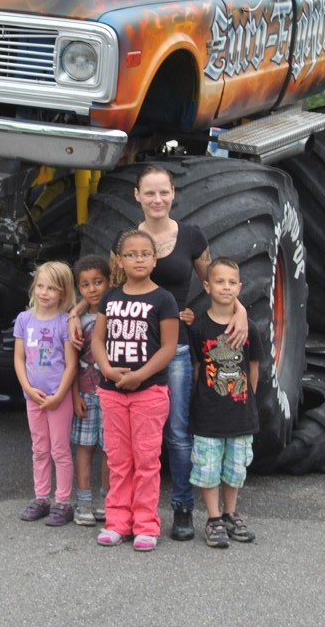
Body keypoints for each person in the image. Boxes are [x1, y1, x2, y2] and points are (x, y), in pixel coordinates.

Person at [69, 164, 248, 542]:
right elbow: (106, 290)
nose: (157, 199)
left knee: (177, 434)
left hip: (175, 347)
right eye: (149, 193)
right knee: (124, 444)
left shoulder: (191, 236)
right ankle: (123, 515)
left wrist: (241, 310)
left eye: (163, 192)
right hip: (127, 354)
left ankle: (182, 508)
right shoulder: (127, 240)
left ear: (172, 193)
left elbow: (214, 279)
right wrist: (76, 312)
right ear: (137, 196)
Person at [91, 229, 179, 552]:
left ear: (155, 259)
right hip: (112, 392)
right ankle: (117, 522)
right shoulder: (110, 298)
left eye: (145, 254)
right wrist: (107, 369)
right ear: (119, 260)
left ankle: (145, 524)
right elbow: (98, 340)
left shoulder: (163, 299)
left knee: (146, 459)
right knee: (118, 459)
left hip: (149, 391)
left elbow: (168, 348)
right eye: (131, 254)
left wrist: (139, 375)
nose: (138, 259)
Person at [189, 258, 261, 548]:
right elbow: (196, 369)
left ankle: (231, 514)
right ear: (207, 286)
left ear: (240, 286)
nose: (226, 287)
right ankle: (213, 518)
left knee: (235, 468)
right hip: (208, 414)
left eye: (232, 282)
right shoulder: (199, 327)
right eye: (220, 281)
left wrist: (249, 398)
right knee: (207, 468)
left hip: (241, 413)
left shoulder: (249, 328)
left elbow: (254, 366)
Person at [13, 261, 78, 526]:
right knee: (39, 448)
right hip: (33, 397)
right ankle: (41, 498)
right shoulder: (24, 319)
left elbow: (71, 363)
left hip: (57, 398)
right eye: (40, 286)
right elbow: (18, 359)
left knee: (60, 450)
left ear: (63, 292)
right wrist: (27, 388)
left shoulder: (65, 322)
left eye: (52, 288)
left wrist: (59, 395)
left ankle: (63, 502)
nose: (44, 292)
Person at [70, 254, 111, 526]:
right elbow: (72, 361)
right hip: (85, 392)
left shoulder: (117, 312)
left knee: (110, 450)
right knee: (85, 447)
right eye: (85, 285)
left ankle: (108, 500)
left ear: (109, 282)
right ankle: (83, 501)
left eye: (98, 282)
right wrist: (74, 395)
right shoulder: (77, 320)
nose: (93, 289)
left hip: (112, 394)